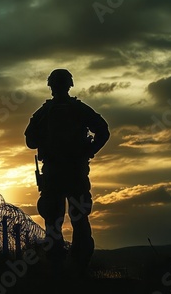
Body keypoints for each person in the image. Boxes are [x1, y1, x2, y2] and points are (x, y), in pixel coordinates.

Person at [24, 68, 110, 277]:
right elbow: (103, 131)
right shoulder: (79, 109)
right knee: (79, 219)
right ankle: (80, 267)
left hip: (54, 173)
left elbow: (30, 140)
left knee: (53, 221)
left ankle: (56, 267)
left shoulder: (44, 112)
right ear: (70, 85)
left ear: (51, 86)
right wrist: (87, 151)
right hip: (75, 172)